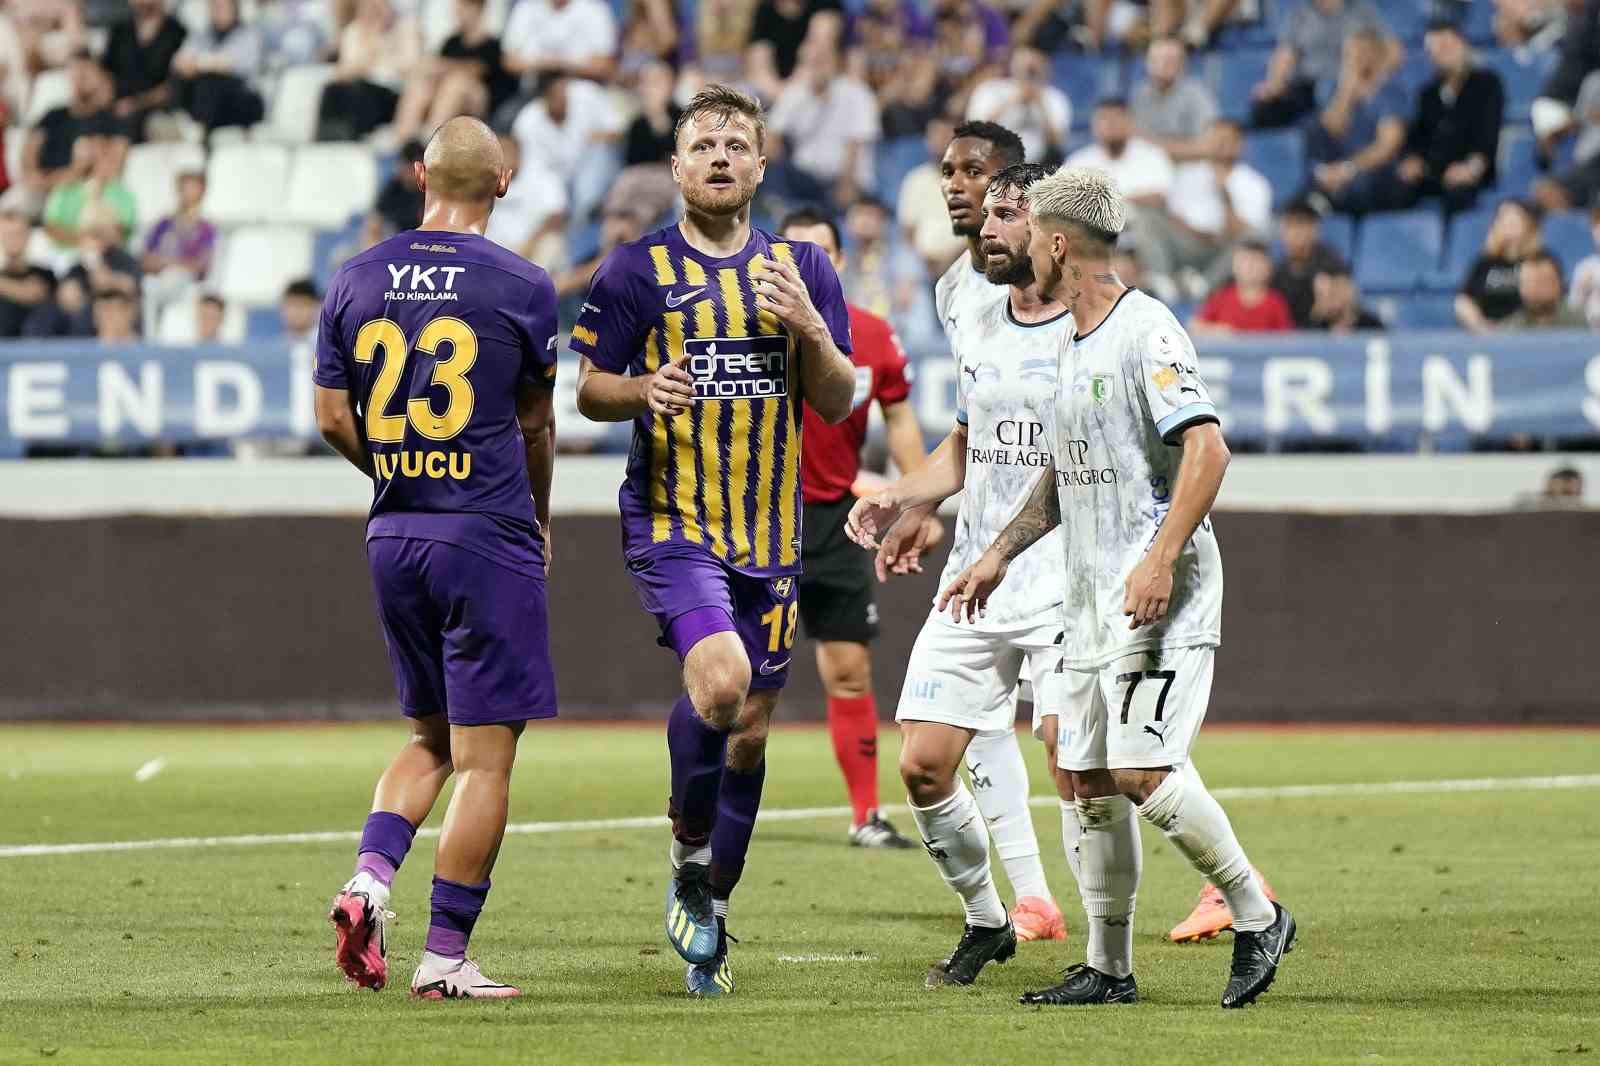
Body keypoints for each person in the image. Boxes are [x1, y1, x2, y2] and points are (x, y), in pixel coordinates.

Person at [941, 164, 1295, 1010]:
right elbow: (1063, 472)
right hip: (1090, 594)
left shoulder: (1148, 332)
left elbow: (1207, 450)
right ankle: (1108, 966)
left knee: (1140, 768)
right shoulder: (1069, 339)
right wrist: (997, 552)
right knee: (1084, 772)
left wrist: (1162, 556)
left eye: (1028, 230)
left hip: (1157, 594)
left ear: (1057, 244)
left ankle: (1258, 909)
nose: (1015, 239)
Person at [571, 84, 857, 998]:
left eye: (738, 143)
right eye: (704, 144)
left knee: (750, 729)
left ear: (762, 165)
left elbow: (839, 399)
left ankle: (714, 913)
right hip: (673, 520)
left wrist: (808, 326)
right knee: (722, 682)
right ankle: (689, 853)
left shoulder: (804, 269)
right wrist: (643, 389)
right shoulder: (632, 271)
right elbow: (589, 389)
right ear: (677, 166)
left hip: (771, 534)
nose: (722, 156)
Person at [316, 117, 559, 1000]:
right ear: (503, 181)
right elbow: (533, 420)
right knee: (487, 756)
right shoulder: (523, 285)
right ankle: (446, 958)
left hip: (394, 533)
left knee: (428, 738)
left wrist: (402, 472)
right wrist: (535, 516)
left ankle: (368, 883)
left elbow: (333, 417)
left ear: (420, 175)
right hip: (484, 536)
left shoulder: (354, 276)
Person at [845, 162, 1075, 982]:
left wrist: (996, 552)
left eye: (1003, 210)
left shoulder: (1096, 326)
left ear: (1049, 229)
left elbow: (1073, 468)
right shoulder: (976, 317)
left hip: (1063, 580)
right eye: (985, 212)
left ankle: (1125, 947)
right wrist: (903, 497)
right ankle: (988, 921)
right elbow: (971, 446)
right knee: (922, 762)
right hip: (978, 577)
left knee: (1076, 756)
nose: (983, 222)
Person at [780, 206, 935, 849]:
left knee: (849, 672)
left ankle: (865, 815)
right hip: (760, 520)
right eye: (792, 255)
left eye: (817, 254)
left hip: (838, 522)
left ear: (838, 262)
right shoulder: (746, 331)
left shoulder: (872, 336)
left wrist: (921, 501)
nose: (804, 266)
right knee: (737, 681)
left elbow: (899, 419)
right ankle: (705, 818)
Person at [1141, 118, 1272, 299]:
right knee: (1147, 216)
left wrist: (1224, 194)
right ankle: (1164, 283)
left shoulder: (1254, 183)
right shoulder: (1188, 173)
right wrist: (1194, 232)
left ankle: (1203, 287)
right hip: (1188, 243)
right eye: (1215, 140)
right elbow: (1173, 216)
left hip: (1224, 252)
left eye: (1226, 140)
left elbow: (1245, 235)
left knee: (1253, 236)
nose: (1219, 146)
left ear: (1240, 145)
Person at [1304, 27, 1409, 213]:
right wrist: (1347, 88)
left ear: (1377, 55)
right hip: (1338, 168)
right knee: (1312, 128)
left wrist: (1347, 169)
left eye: (1363, 51)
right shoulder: (1334, 89)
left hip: (1376, 174)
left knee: (1357, 186)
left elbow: (1386, 147)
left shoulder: (1391, 93)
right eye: (1350, 53)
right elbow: (1332, 130)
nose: (1357, 58)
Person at [1251, 0, 1397, 129]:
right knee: (1264, 111)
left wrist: (1373, 81)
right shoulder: (1299, 13)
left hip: (1347, 84)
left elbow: (1393, 52)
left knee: (1333, 116)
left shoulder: (1362, 9)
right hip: (1308, 84)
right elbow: (1285, 53)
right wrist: (1274, 83)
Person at [168, 0, 265, 134]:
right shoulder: (203, 34)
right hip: (211, 105)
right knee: (179, 77)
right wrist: (190, 65)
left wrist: (198, 64)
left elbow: (227, 64)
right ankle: (178, 121)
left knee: (211, 79)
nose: (218, 11)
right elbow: (178, 61)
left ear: (235, 9)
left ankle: (199, 130)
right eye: (214, 6)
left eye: (222, 7)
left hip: (244, 102)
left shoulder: (248, 34)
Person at [965, 45, 1070, 165]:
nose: (1029, 70)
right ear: (1012, 63)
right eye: (1024, 64)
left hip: (1040, 165)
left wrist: (1040, 104)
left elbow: (1058, 141)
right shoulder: (991, 89)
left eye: (1033, 67)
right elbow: (975, 131)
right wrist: (1013, 101)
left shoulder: (1054, 96)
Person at [101, 0, 187, 141]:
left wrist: (135, 104)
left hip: (156, 111)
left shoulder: (176, 32)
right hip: (115, 109)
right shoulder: (119, 31)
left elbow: (171, 88)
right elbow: (104, 74)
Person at [1456, 198, 1543, 333]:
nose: (1508, 223)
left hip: (1526, 331)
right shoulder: (1484, 262)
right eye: (1502, 218)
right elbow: (1465, 299)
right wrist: (1479, 325)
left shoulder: (1540, 261)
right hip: (1487, 332)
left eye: (1514, 218)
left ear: (1528, 223)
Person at [1130, 37, 1218, 165]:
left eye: (1170, 60)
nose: (1163, 65)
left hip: (1188, 167)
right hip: (1148, 168)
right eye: (1156, 60)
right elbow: (1133, 142)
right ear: (1147, 63)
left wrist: (1156, 147)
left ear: (1183, 64)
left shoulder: (1197, 94)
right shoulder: (1139, 95)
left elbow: (1208, 147)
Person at [1270, 199, 1346, 328]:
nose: (1296, 233)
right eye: (1290, 226)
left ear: (1315, 229)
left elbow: (1345, 299)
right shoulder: (1277, 271)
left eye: (1302, 225)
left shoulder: (1330, 262)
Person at [1192, 240, 1294, 334]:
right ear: (1234, 266)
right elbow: (1194, 326)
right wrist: (1218, 330)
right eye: (1244, 261)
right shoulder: (1222, 297)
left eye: (1255, 261)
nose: (1249, 266)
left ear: (1268, 267)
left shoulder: (1276, 302)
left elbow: (1286, 338)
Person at [0, 191, 55, 337]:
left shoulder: (43, 273)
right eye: (7, 234)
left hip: (33, 349)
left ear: (28, 235)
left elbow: (32, 293)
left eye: (17, 233)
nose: (12, 239)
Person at [1501, 251, 1590, 329]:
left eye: (1544, 281)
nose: (1535, 289)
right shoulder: (1509, 328)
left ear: (1561, 284)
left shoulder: (1578, 324)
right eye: (1529, 282)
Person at [1307, 264, 1383, 332]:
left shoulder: (1371, 324)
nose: (1339, 296)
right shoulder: (1318, 325)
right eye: (1335, 291)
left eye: (1343, 289)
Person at [1566, 204, 1600, 326]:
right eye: (1597, 226)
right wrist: (1581, 290)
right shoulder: (1585, 267)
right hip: (1589, 332)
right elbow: (1573, 306)